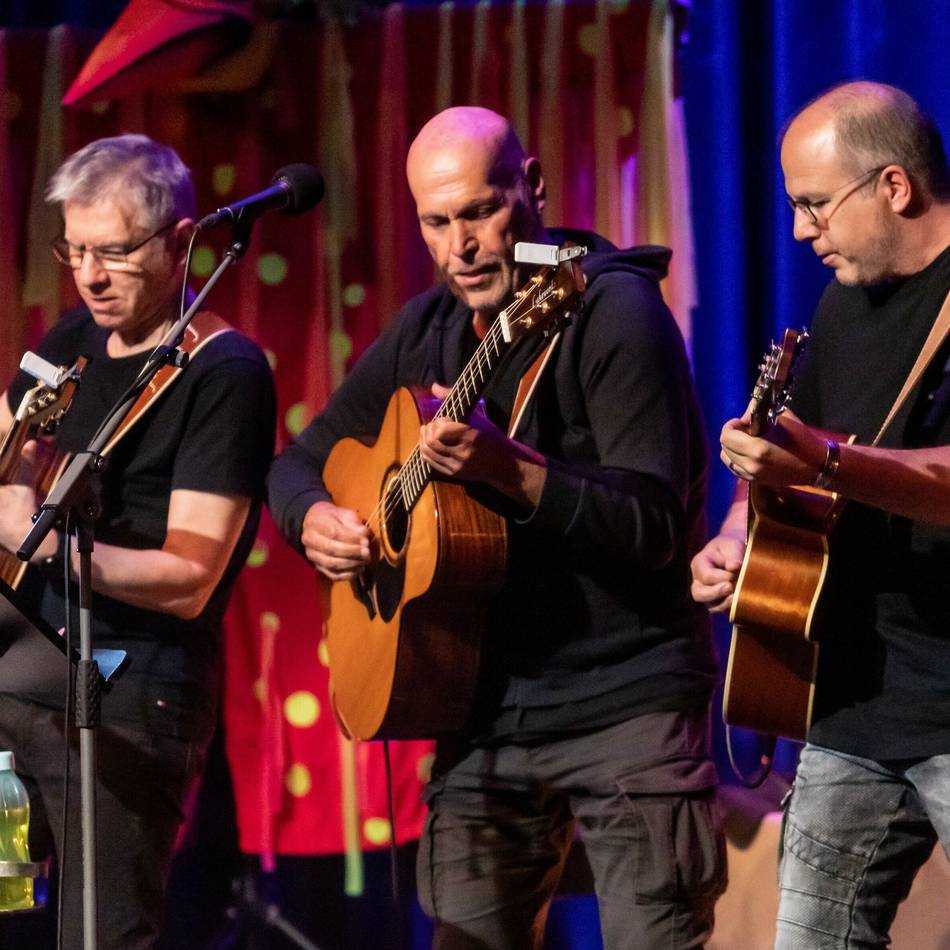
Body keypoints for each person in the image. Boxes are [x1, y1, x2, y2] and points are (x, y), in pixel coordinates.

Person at [268, 106, 724, 948]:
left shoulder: (612, 312)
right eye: (437, 223)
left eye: (480, 211)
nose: (461, 245)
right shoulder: (428, 330)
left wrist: (505, 469)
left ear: (534, 187)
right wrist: (315, 520)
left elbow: (657, 523)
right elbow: (296, 461)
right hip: (480, 712)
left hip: (624, 703)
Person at [690, 80, 950, 947]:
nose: (801, 231)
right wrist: (738, 527)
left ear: (894, 187)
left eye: (814, 205)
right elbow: (794, 447)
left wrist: (830, 463)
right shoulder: (843, 303)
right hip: (850, 707)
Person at [0, 134, 275, 949]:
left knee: (99, 933)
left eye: (113, 252)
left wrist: (38, 540)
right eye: (75, 249)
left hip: (125, 700)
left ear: (181, 243)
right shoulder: (64, 344)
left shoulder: (224, 373)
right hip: (16, 687)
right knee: (6, 912)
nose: (87, 274)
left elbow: (190, 575)